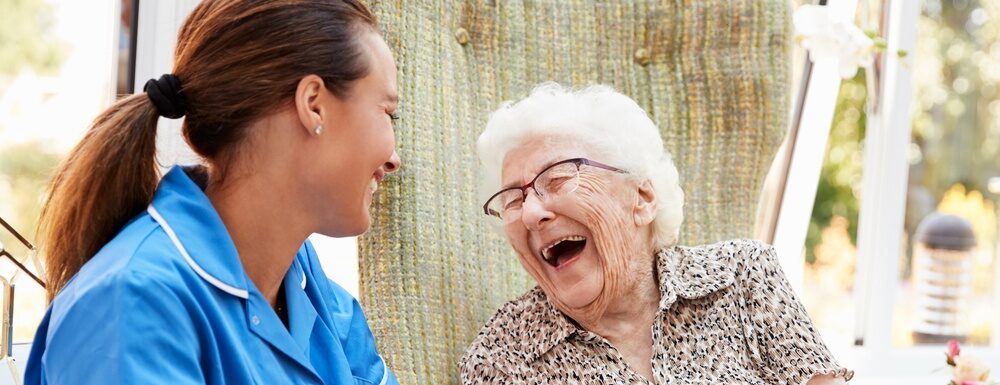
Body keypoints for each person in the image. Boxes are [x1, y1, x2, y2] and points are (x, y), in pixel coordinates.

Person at [25, 1, 401, 383]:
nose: (394, 159)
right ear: (314, 105)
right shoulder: (132, 304)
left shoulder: (310, 290)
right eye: (387, 113)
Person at [460, 83, 853, 384]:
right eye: (512, 200)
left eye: (559, 177)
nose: (530, 213)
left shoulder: (742, 275)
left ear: (643, 198)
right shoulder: (504, 356)